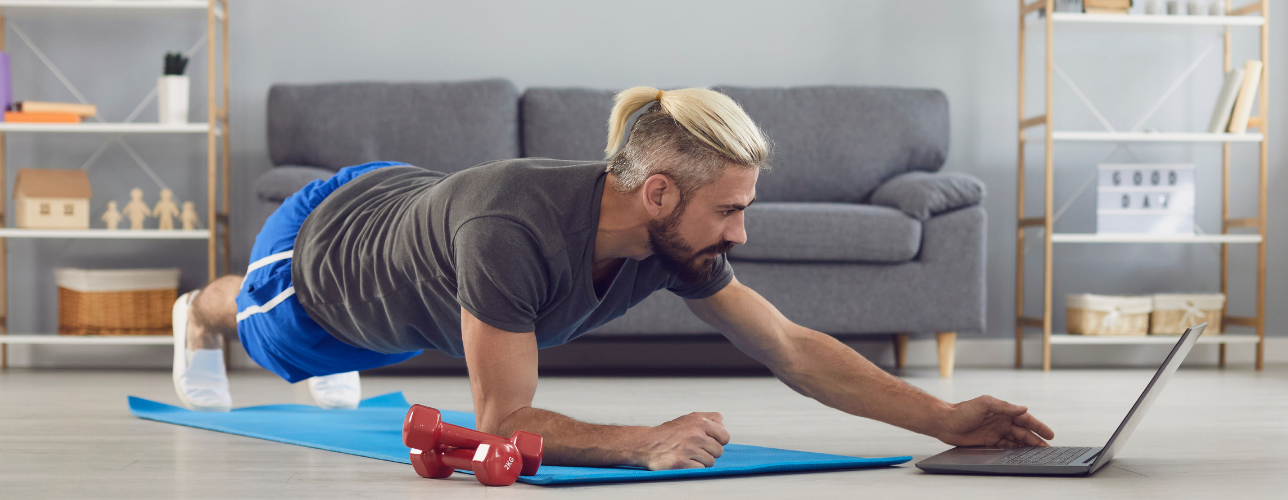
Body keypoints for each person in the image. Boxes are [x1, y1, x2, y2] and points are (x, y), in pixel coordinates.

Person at [172, 86, 1054, 470]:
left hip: (416, 211)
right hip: (325, 251)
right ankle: (196, 315)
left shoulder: (669, 241)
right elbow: (501, 424)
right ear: (659, 191)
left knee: (385, 333)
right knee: (263, 328)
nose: (741, 232)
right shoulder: (512, 230)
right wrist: (643, 438)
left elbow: (786, 347)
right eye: (729, 209)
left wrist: (945, 418)